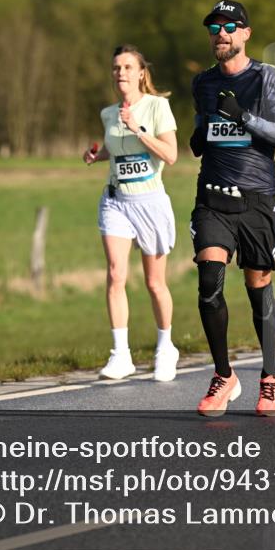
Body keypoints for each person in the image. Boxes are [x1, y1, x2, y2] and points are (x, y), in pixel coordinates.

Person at [188, 0, 275, 417]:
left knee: (258, 288)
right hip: (212, 197)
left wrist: (244, 117)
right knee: (209, 280)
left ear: (246, 33)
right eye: (214, 27)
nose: (221, 34)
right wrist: (200, 137)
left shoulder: (266, 78)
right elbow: (202, 128)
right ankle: (224, 374)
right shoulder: (203, 83)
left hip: (257, 200)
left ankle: (269, 379)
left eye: (229, 26)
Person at [84, 45, 181, 382]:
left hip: (150, 203)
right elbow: (114, 147)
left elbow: (170, 155)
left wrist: (138, 128)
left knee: (155, 283)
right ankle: (120, 355)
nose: (120, 73)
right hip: (116, 201)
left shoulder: (157, 107)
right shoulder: (109, 113)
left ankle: (166, 347)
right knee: (115, 275)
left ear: (141, 73)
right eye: (115, 68)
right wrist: (97, 156)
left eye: (127, 67)